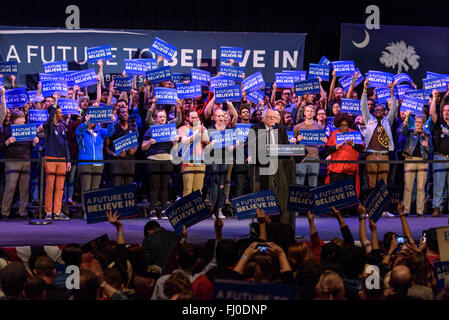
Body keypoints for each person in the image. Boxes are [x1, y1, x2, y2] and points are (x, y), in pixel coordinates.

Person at [248, 108, 295, 230]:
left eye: (274, 117)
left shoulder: (281, 128)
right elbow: (252, 145)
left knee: (280, 196)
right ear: (263, 118)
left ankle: (282, 223)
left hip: (280, 168)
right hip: (262, 166)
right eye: (269, 117)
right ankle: (263, 225)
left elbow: (286, 147)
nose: (273, 120)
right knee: (264, 196)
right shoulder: (256, 128)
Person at [0, 110, 39, 220]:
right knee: (10, 188)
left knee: (24, 188)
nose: (23, 120)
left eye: (23, 118)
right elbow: (1, 147)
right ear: (14, 120)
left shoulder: (27, 130)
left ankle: (23, 211)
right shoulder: (7, 130)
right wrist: (8, 142)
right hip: (12, 161)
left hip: (26, 161)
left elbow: (30, 147)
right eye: (20, 118)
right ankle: (5, 212)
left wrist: (34, 143)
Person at [38, 93, 71, 220]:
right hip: (50, 158)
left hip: (62, 160)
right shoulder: (47, 126)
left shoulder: (63, 126)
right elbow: (50, 117)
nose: (60, 114)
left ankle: (57, 212)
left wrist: (68, 160)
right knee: (50, 186)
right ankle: (48, 212)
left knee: (60, 187)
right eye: (58, 112)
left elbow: (66, 144)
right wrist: (55, 102)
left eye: (61, 112)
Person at [361, 79, 398, 195]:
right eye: (376, 110)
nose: (378, 112)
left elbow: (393, 109)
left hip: (384, 156)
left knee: (383, 184)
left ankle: (383, 210)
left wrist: (392, 93)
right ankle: (371, 211)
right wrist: (365, 89)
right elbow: (363, 107)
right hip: (371, 155)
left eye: (381, 110)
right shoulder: (369, 120)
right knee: (371, 184)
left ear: (384, 112)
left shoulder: (388, 121)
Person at [142, 108, 178, 220]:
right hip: (153, 160)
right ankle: (152, 210)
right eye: (160, 117)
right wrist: (149, 142)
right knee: (155, 186)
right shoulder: (150, 131)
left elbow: (176, 149)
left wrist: (175, 141)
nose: (162, 119)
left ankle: (164, 210)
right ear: (156, 119)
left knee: (164, 186)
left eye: (164, 117)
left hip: (167, 159)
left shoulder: (171, 131)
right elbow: (143, 147)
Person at [76, 112, 115, 214]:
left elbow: (110, 133)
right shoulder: (82, 130)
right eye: (89, 117)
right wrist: (86, 122)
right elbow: (78, 131)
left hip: (98, 164)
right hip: (85, 163)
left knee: (95, 189)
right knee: (86, 188)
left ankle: (92, 210)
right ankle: (86, 211)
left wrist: (111, 122)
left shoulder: (100, 131)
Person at [325, 112, 364, 197]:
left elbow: (362, 149)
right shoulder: (334, 134)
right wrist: (337, 146)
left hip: (351, 169)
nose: (344, 127)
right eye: (342, 125)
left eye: (346, 125)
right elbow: (328, 149)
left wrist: (353, 144)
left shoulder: (355, 133)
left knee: (349, 195)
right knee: (337, 194)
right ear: (338, 125)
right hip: (337, 170)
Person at [400, 111, 431, 217]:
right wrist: (406, 117)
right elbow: (402, 131)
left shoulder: (427, 134)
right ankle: (406, 210)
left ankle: (420, 210)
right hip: (410, 160)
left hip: (423, 161)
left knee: (421, 187)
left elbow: (431, 149)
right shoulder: (410, 132)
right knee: (408, 186)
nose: (417, 124)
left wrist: (427, 146)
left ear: (423, 123)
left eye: (420, 122)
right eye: (416, 122)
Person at [177, 110, 210, 197]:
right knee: (187, 190)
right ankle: (187, 210)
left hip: (200, 162)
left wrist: (202, 132)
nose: (195, 119)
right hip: (187, 162)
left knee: (198, 190)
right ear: (188, 118)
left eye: (196, 117)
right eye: (192, 117)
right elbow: (185, 141)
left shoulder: (203, 128)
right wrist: (197, 132)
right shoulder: (182, 129)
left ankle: (198, 210)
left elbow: (206, 141)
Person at [294, 105, 327, 187]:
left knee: (313, 183)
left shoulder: (319, 127)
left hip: (314, 158)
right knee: (299, 183)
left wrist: (324, 141)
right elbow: (292, 143)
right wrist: (297, 139)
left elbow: (322, 145)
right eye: (307, 111)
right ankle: (298, 200)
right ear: (304, 113)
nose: (309, 113)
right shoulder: (297, 127)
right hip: (301, 158)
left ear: (314, 113)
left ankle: (312, 199)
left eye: (311, 111)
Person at [105, 106, 138, 186]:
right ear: (118, 115)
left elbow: (136, 145)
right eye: (123, 112)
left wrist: (133, 151)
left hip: (129, 162)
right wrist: (115, 154)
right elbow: (106, 147)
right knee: (116, 187)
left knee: (129, 187)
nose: (125, 114)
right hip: (116, 162)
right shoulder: (113, 129)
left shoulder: (132, 129)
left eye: (126, 112)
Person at [429, 88, 449, 216]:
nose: (447, 112)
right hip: (439, 157)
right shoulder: (439, 123)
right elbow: (432, 114)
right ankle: (437, 207)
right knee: (438, 184)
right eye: (445, 111)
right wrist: (434, 97)